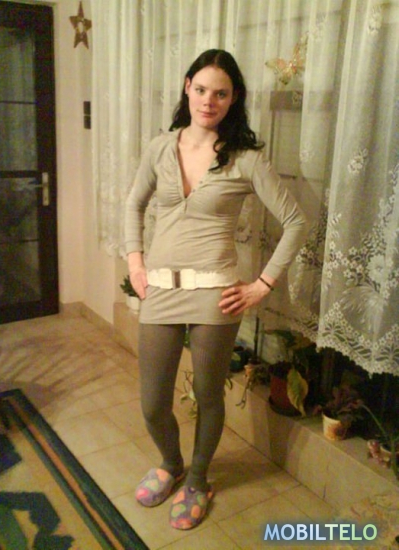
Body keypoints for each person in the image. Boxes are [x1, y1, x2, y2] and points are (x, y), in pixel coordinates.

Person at [125, 49, 308, 530]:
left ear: (234, 99)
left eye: (221, 93)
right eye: (202, 89)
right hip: (161, 290)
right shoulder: (159, 147)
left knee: (208, 395)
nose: (209, 100)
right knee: (152, 402)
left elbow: (295, 221)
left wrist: (262, 284)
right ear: (188, 87)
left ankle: (198, 479)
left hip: (216, 295)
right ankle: (171, 463)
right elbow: (134, 204)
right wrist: (135, 262)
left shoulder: (246, 159)